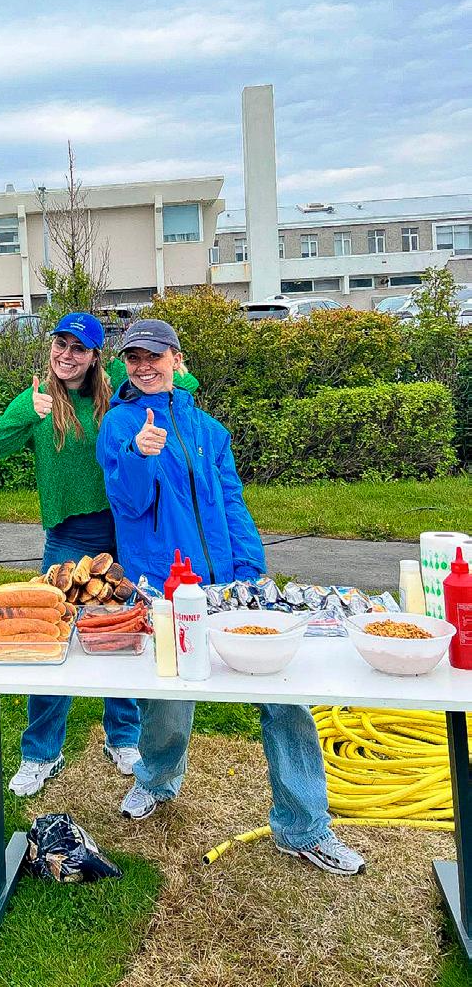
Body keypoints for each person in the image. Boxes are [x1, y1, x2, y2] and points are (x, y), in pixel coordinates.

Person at [96, 318, 365, 876]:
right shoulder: (119, 423)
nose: (144, 367)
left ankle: (304, 825)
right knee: (166, 697)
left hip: (229, 586)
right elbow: (127, 502)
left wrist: (251, 572)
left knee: (283, 694)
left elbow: (233, 503)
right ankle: (157, 778)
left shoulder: (209, 430)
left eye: (154, 356)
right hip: (164, 587)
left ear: (176, 359)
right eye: (134, 358)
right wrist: (140, 454)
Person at [0, 312, 141, 796]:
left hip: (120, 534)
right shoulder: (38, 399)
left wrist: (177, 368)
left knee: (121, 635)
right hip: (66, 539)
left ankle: (124, 739)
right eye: (60, 344)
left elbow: (181, 385)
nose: (66, 355)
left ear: (95, 356)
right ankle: (41, 754)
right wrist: (25, 412)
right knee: (50, 642)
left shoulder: (115, 390)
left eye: (78, 348)